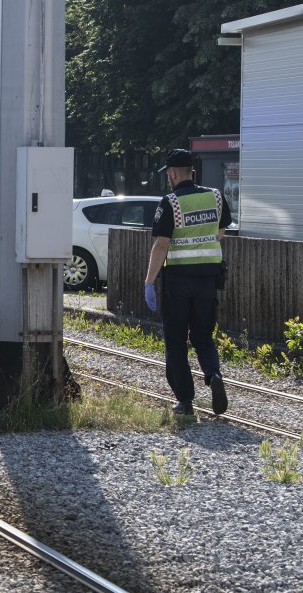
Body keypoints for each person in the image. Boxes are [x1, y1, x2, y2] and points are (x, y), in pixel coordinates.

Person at [143, 148, 232, 417]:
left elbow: (161, 244)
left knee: (176, 341)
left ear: (172, 173)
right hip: (208, 280)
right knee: (204, 336)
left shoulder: (170, 202)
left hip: (178, 282)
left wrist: (149, 281)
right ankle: (213, 374)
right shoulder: (215, 196)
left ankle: (185, 402)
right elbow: (221, 232)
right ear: (192, 171)